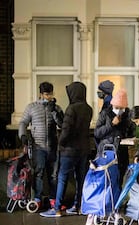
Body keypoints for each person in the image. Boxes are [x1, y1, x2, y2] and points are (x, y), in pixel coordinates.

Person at [40, 81, 93, 217]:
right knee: (80, 179)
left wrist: (61, 143)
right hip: (84, 150)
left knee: (62, 177)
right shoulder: (88, 108)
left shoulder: (72, 108)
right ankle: (79, 206)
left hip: (69, 150)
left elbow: (66, 129)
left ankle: (57, 208)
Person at [18, 81, 64, 210]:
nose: (48, 96)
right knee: (38, 173)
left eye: (50, 94)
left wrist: (54, 110)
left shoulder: (56, 107)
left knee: (53, 175)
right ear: (40, 94)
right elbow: (23, 122)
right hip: (38, 147)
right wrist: (23, 136)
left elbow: (62, 124)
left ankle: (53, 199)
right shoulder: (31, 107)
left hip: (53, 147)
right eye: (46, 94)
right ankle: (37, 198)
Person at [94, 88, 135, 188]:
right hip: (107, 151)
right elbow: (97, 133)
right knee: (105, 179)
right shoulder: (105, 114)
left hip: (121, 152)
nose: (119, 110)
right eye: (117, 107)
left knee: (119, 179)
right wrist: (111, 124)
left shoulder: (128, 116)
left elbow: (131, 132)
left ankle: (116, 201)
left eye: (122, 108)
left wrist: (130, 138)